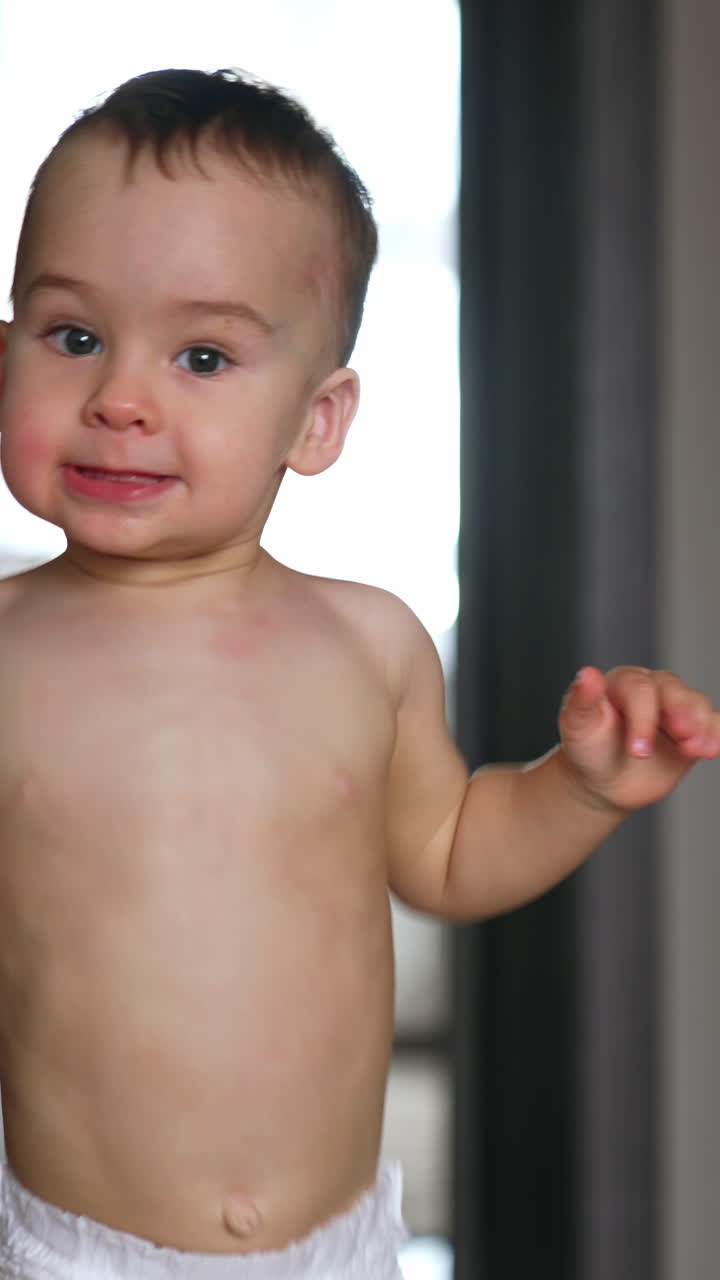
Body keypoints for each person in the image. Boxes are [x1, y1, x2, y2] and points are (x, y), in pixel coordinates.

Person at [0, 67, 717, 1280]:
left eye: (204, 357)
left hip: (343, 1249)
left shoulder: (366, 642)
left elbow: (444, 852)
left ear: (317, 421)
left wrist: (579, 789)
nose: (120, 398)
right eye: (74, 337)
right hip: (77, 1253)